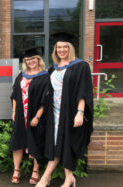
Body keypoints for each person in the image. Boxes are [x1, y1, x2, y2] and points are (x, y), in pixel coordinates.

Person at [36, 32, 93, 187]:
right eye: (58, 47)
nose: (61, 50)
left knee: (65, 143)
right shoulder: (52, 69)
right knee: (58, 144)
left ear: (70, 48)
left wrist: (80, 112)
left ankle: (46, 178)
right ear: (55, 50)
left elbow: (83, 91)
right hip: (54, 113)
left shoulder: (80, 66)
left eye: (64, 47)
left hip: (70, 113)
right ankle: (69, 178)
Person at [9, 47, 51, 184]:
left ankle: (35, 171)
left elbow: (46, 99)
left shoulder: (45, 76)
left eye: (33, 58)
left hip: (35, 116)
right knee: (17, 142)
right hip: (21, 115)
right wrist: (14, 111)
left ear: (38, 60)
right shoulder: (21, 75)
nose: (31, 61)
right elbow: (15, 94)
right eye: (28, 59)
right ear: (25, 62)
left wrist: (37, 116)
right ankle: (16, 170)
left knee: (37, 141)